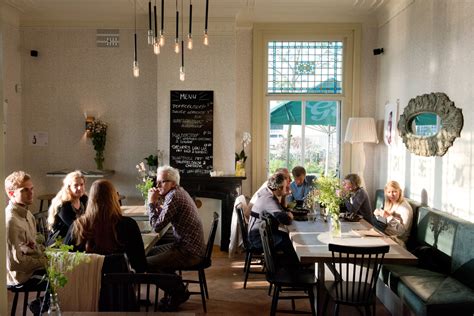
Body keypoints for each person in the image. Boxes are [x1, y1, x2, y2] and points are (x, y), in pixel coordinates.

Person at [65, 179, 189, 311]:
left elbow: (66, 259)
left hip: (85, 294)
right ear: (114, 198)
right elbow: (140, 265)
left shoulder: (77, 227)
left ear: (91, 199)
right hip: (121, 295)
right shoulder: (128, 225)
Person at [146, 166, 205, 310]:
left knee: (146, 264)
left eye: (162, 182)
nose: (158, 185)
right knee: (149, 252)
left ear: (173, 183)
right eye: (157, 182)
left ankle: (178, 293)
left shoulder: (174, 197)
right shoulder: (178, 192)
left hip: (189, 252)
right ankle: (177, 287)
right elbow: (164, 218)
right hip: (185, 246)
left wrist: (151, 203)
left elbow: (156, 226)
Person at [248, 172, 300, 268]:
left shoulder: (266, 192)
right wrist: (289, 216)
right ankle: (294, 269)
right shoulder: (269, 199)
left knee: (287, 237)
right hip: (258, 239)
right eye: (284, 187)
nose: (286, 189)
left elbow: (280, 210)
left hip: (261, 233)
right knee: (288, 241)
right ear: (279, 188)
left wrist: (284, 196)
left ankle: (291, 266)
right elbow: (286, 220)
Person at [5, 171, 47, 286]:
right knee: (62, 276)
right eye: (24, 190)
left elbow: (33, 247)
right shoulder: (11, 221)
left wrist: (48, 254)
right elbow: (15, 263)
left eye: (31, 189)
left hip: (32, 267)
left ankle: (44, 303)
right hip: (21, 276)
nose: (31, 193)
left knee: (67, 266)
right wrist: (44, 262)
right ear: (11, 193)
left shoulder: (28, 214)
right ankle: (46, 303)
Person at [47, 170, 88, 244]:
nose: (79, 188)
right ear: (68, 187)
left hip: (75, 237)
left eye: (81, 184)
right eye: (76, 185)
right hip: (59, 242)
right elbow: (74, 226)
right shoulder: (63, 205)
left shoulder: (84, 199)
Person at [373, 180, 413, 247]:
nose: (391, 195)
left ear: (399, 191)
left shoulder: (405, 208)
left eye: (394, 191)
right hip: (385, 234)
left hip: (397, 240)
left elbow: (401, 232)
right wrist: (378, 215)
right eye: (389, 192)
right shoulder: (390, 203)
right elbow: (385, 223)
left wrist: (388, 216)